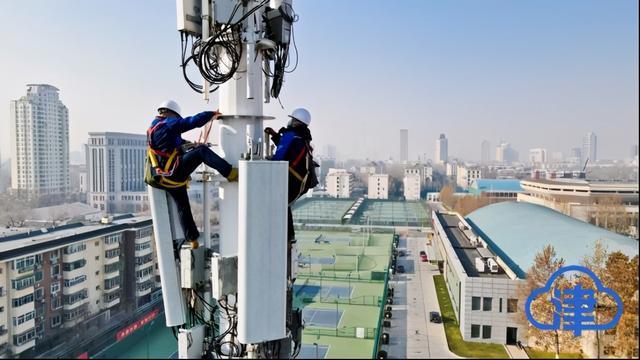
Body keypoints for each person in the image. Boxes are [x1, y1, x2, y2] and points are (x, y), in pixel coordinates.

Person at [145, 100, 238, 250]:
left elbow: (173, 143)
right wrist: (211, 115)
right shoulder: (169, 124)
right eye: (176, 117)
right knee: (201, 152)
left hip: (164, 178)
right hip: (173, 173)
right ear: (170, 113)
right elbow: (191, 122)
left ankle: (192, 239)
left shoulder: (154, 127)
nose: (177, 120)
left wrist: (190, 144)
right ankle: (231, 172)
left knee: (183, 206)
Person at [265, 108, 318, 243]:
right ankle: (289, 236)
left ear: (296, 121)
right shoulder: (302, 137)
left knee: (278, 203)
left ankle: (284, 235)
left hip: (293, 180)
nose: (290, 121)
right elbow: (290, 149)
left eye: (292, 119)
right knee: (283, 203)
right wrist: (275, 136)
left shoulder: (291, 136)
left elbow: (280, 157)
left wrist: (265, 163)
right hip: (302, 181)